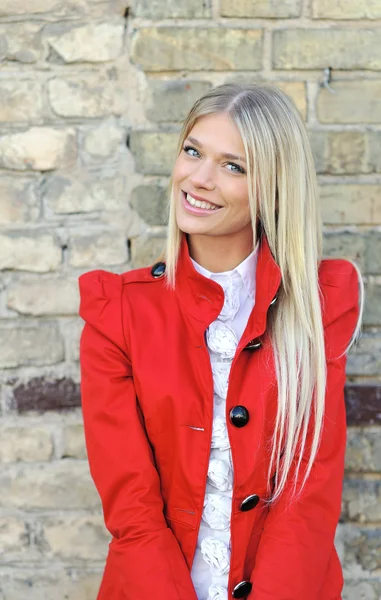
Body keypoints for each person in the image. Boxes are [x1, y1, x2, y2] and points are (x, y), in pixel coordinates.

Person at [78, 83, 363, 600]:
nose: (200, 179)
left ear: (274, 188)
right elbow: (133, 510)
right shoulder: (117, 311)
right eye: (193, 152)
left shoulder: (321, 305)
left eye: (234, 166)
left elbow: (308, 497)